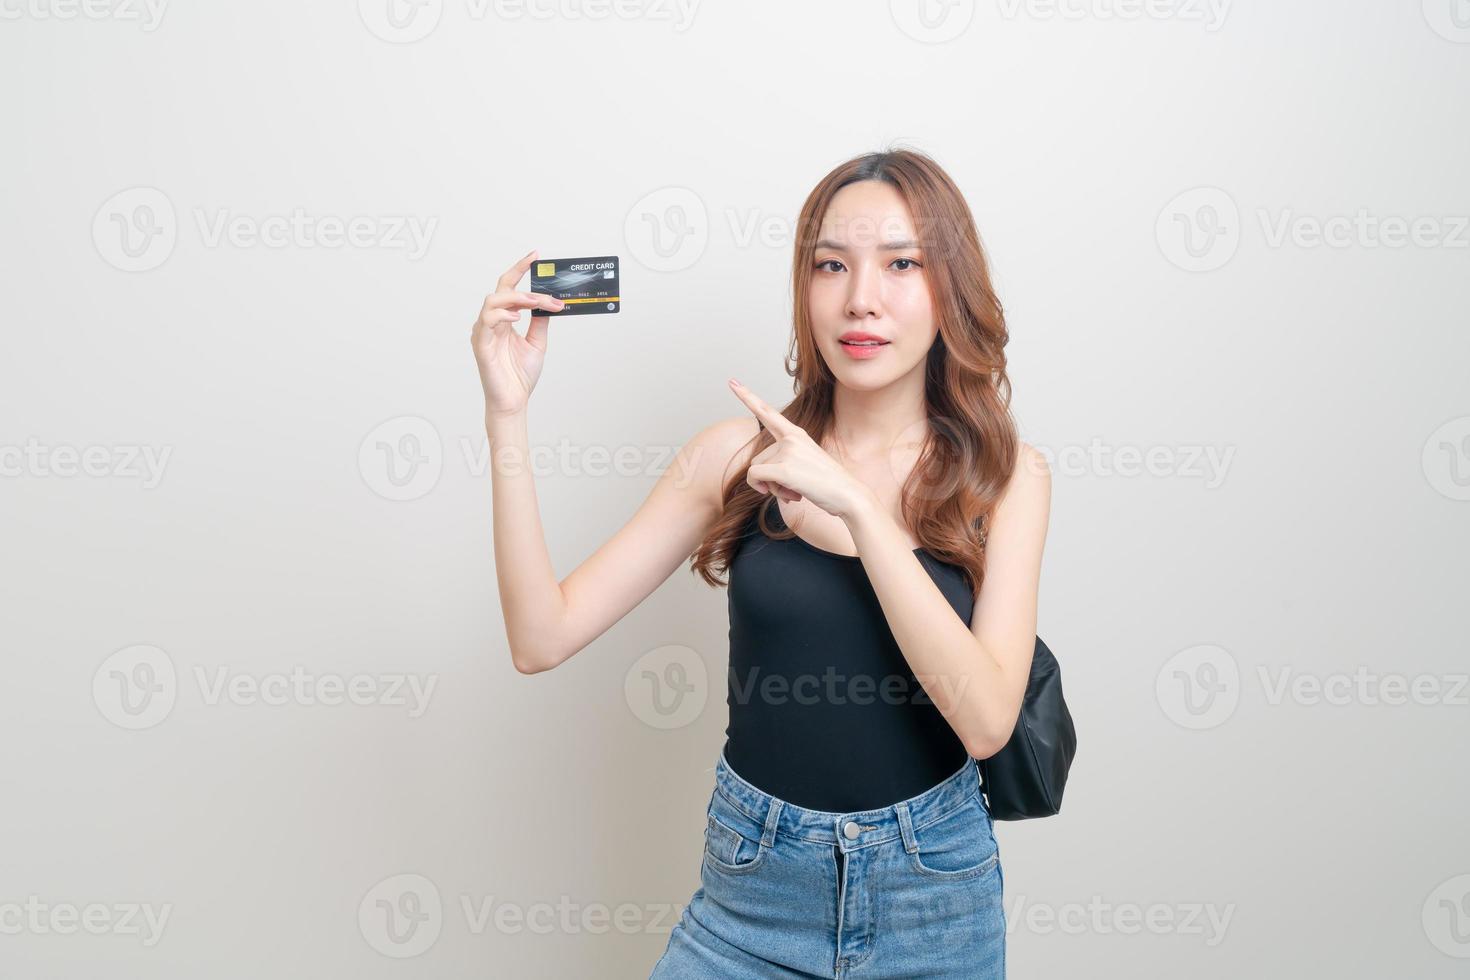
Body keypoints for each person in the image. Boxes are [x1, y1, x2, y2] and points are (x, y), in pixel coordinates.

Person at [471, 147, 1051, 979]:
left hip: (933, 901)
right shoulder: (733, 459)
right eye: (830, 265)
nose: (861, 298)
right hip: (752, 899)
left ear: (946, 287)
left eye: (901, 264)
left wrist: (855, 510)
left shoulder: (1007, 479)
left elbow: (987, 719)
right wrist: (506, 416)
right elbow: (540, 635)